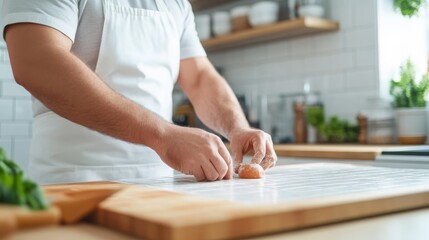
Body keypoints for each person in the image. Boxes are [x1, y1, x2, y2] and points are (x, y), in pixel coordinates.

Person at [1, 0, 277, 184]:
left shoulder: (176, 3)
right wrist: (163, 135)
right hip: (72, 182)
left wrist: (237, 128)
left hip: (159, 186)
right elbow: (35, 60)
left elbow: (200, 77)